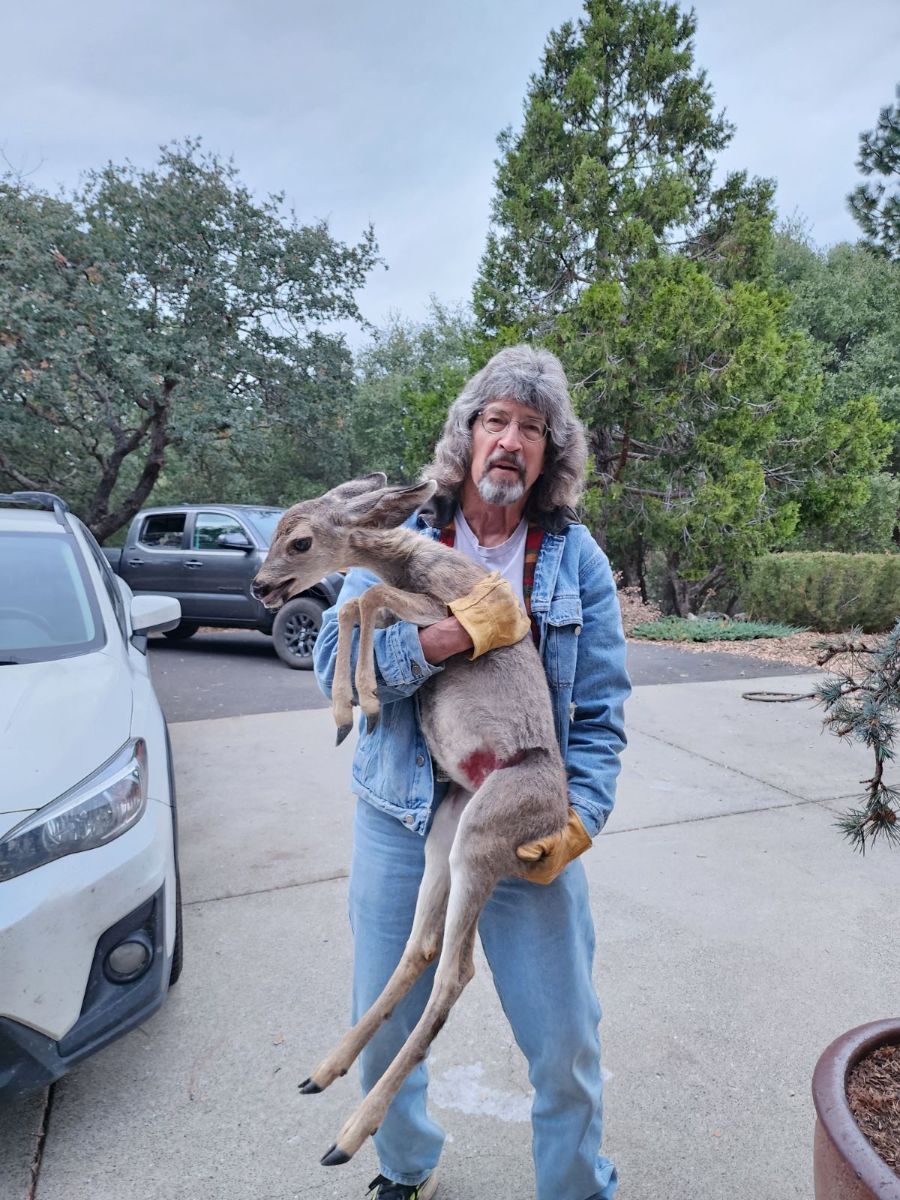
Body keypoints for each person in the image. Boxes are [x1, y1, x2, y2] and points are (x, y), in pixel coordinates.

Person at [313, 345, 631, 1200]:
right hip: (403, 813)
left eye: (532, 428)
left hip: (524, 810)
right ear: (468, 433)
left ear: (550, 454)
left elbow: (602, 709)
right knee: (383, 1024)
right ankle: (406, 1166)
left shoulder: (575, 558)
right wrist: (446, 637)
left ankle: (575, 1187)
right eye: (497, 420)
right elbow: (330, 666)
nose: (511, 441)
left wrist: (583, 816)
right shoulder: (399, 542)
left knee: (565, 1040)